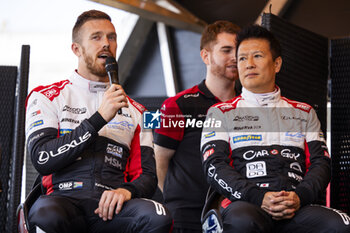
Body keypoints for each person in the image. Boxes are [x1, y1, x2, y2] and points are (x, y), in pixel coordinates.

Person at [25, 10, 172, 233]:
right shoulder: (46, 96)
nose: (106, 43)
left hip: (112, 207)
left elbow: (148, 175)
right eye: (96, 37)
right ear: (76, 49)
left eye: (111, 37)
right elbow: (42, 158)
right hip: (63, 200)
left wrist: (126, 192)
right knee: (46, 214)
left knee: (159, 216)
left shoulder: (138, 111)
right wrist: (99, 119)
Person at [200, 25, 350, 232]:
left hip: (296, 205)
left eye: (257, 56)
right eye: (242, 58)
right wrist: (259, 197)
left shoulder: (304, 112)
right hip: (246, 204)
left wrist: (300, 197)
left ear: (276, 64)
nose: (248, 64)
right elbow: (214, 165)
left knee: (340, 224)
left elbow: (321, 163)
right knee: (242, 221)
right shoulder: (220, 113)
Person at [154, 21, 241, 232]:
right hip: (186, 213)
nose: (235, 57)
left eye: (238, 51)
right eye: (226, 50)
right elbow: (159, 162)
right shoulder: (178, 104)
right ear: (206, 56)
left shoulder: (247, 106)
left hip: (235, 212)